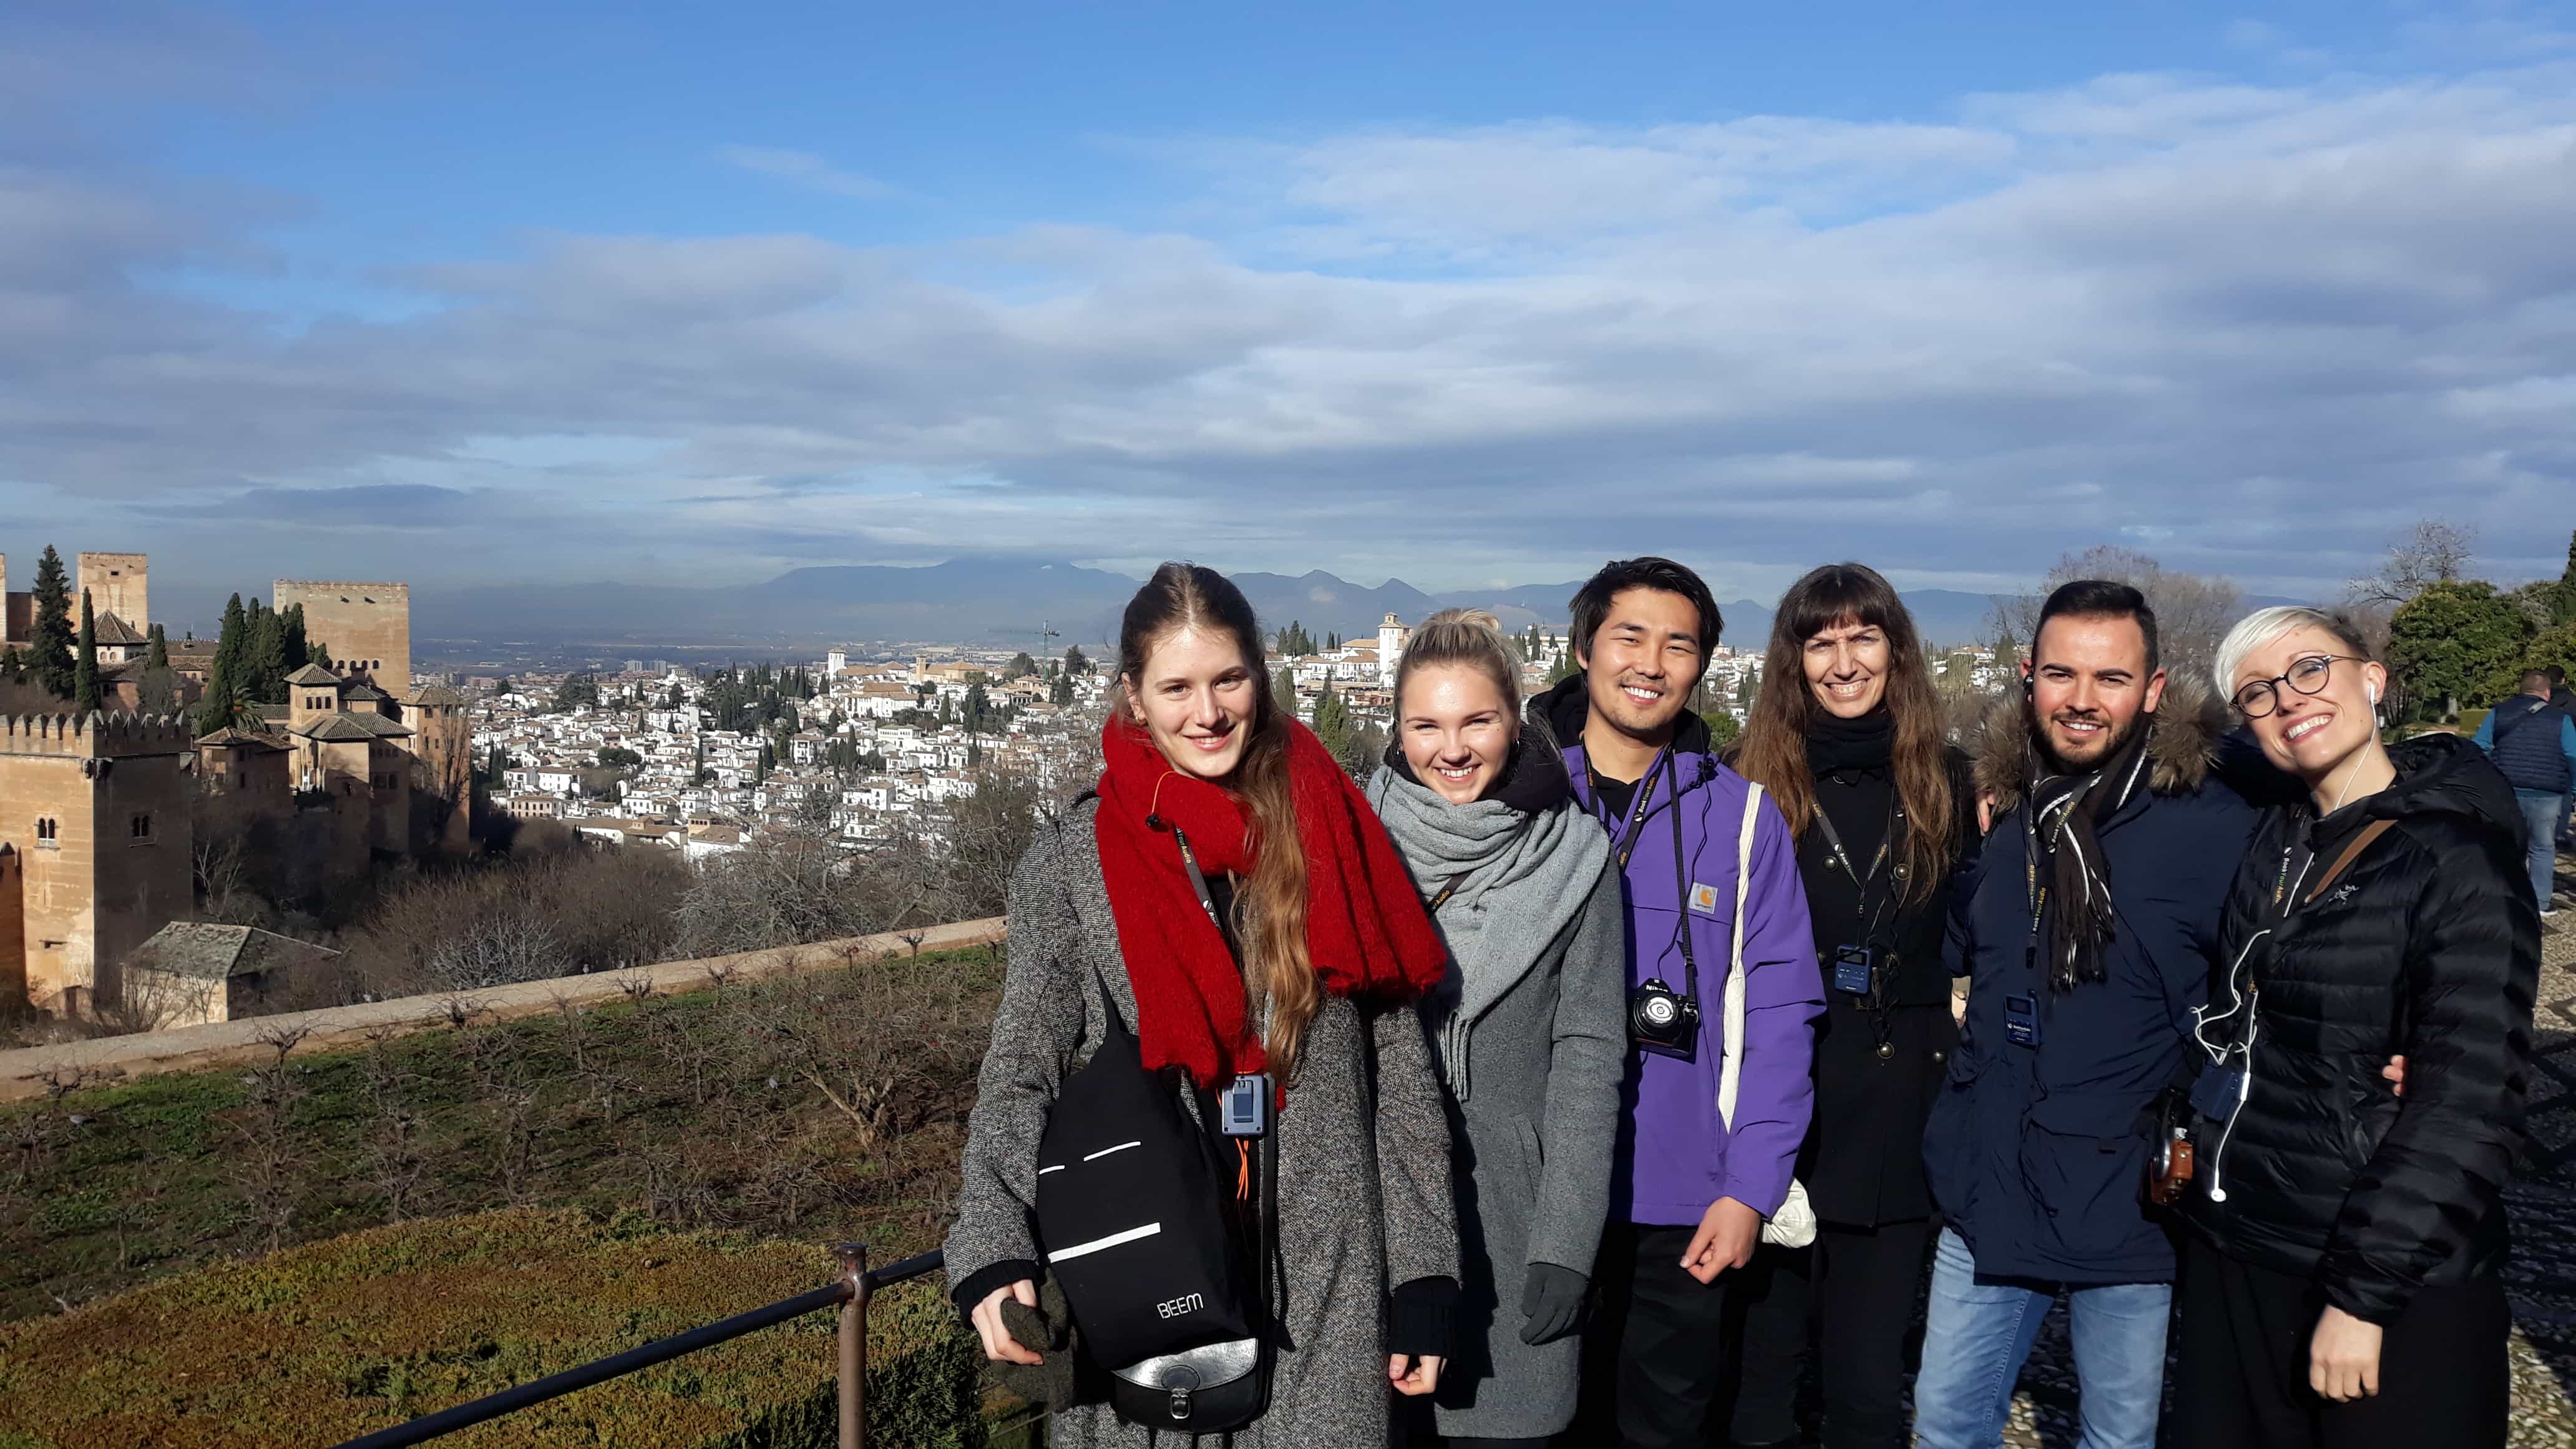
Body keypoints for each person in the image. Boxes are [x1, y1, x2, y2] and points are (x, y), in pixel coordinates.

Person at [945, 563, 1461, 1446]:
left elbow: (1399, 1068)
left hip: (1324, 1268)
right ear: (1133, 698)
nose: (1208, 712)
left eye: (1228, 679)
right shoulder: (1075, 861)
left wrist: (1424, 1274)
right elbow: (1022, 1065)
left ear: (1261, 674)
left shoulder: (1333, 826)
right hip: (1153, 1265)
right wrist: (990, 1245)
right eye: (1176, 687)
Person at [2177, 607, 2537, 1447]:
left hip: (2384, 1271)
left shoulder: (2456, 860)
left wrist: (2361, 1296)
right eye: (2257, 693)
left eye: (2310, 669)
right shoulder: (2279, 839)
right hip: (2248, 1241)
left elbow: (2470, 1102)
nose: (2287, 700)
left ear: (2371, 678)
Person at [1915, 580, 2258, 1449]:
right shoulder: (2007, 808)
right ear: (2029, 676)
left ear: (2154, 689)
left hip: (2130, 1187)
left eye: (2111, 679)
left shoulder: (2216, 822)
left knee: (2116, 1435)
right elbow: (1966, 949)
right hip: (1992, 1167)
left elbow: (2283, 969)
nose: (2081, 699)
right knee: (1947, 1423)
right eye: (2061, 673)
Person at [1528, 557, 1825, 1449]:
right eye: (1629, 635)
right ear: (1583, 648)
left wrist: (1752, 1186)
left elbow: (1781, 1012)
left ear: (1702, 667)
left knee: (1665, 1426)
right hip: (1535, 1186)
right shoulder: (1522, 795)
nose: (1651, 662)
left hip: (1685, 1197)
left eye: (1679, 645)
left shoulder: (1741, 816)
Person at [1725, 564, 1976, 1449]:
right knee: (1761, 1382)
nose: (1842, 661)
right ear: (1790, 663)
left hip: (1899, 1110)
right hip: (1775, 1111)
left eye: (1861, 637)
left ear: (1895, 651)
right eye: (1819, 642)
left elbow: (1983, 931)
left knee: (1869, 1391)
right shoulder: (1743, 785)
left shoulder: (1946, 781)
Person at [1366, 608, 1629, 1449]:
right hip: (1368, 1232)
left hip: (1513, 1224)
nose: (1452, 748)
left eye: (1476, 719)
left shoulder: (1576, 858)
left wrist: (1567, 1241)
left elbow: (1590, 1063)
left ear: (1515, 717)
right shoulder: (1349, 845)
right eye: (1426, 724)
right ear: (1396, 727)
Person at [2471, 668, 2575, 919]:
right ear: (2547, 693)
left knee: (2507, 844)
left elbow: (2480, 747)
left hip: (2506, 789)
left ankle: (2505, 893)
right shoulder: (2560, 719)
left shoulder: (2499, 713)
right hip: (2547, 793)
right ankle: (2539, 901)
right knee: (2542, 847)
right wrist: (2572, 790)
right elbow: (2573, 756)